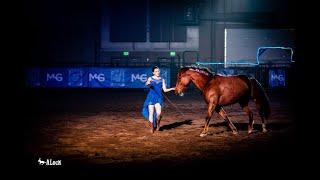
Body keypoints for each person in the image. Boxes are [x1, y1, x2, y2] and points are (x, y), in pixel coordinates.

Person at [142, 66, 175, 133]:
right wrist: (148, 83)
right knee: (151, 113)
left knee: (158, 114)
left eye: (158, 71)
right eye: (156, 71)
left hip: (159, 97)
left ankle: (158, 124)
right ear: (153, 72)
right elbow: (146, 84)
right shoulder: (150, 78)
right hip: (151, 97)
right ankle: (151, 128)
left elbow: (165, 90)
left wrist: (171, 89)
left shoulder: (162, 79)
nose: (158, 72)